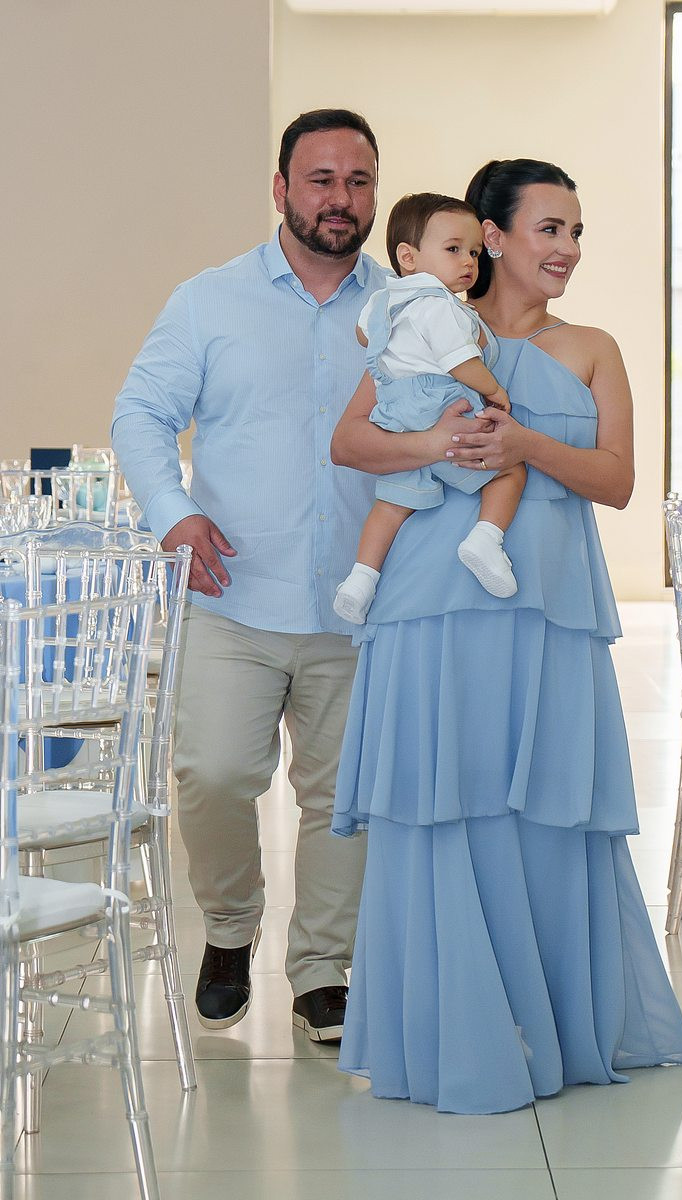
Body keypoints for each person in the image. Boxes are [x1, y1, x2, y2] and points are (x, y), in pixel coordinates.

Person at [329, 158, 682, 1112]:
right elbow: (351, 442)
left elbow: (617, 481)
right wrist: (435, 445)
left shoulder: (593, 347)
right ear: (491, 237)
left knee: (548, 809)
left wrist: (526, 444)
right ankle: (454, 1032)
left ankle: (558, 1030)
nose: (567, 249)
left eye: (575, 232)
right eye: (549, 229)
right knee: (442, 805)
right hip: (430, 603)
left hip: (550, 608)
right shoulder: (428, 325)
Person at [111, 109, 393, 1043]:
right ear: (280, 189)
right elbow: (141, 413)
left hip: (361, 604)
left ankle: (322, 969)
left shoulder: (405, 310)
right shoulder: (209, 301)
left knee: (342, 800)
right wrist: (171, 512)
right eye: (321, 179)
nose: (340, 198)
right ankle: (229, 927)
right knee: (213, 773)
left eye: (357, 180)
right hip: (232, 597)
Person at [334, 193, 526, 624]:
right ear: (408, 256)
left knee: (391, 505)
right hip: (440, 405)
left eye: (474, 252)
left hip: (395, 414)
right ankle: (485, 540)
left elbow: (365, 337)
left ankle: (360, 580)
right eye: (454, 249)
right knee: (510, 470)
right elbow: (461, 363)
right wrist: (494, 389)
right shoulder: (439, 306)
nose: (468, 262)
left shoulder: (383, 300)